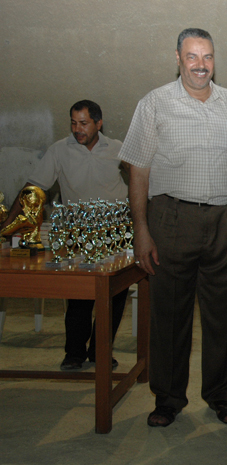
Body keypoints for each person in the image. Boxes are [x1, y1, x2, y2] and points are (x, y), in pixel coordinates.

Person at [118, 28, 227, 428]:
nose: (201, 65)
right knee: (170, 313)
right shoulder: (155, 103)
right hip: (172, 219)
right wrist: (141, 230)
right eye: (192, 56)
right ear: (177, 58)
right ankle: (168, 398)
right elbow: (138, 169)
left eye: (207, 56)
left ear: (215, 59)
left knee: (223, 315)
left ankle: (221, 395)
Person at [0, 100, 129, 371]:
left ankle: (100, 352)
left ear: (98, 123)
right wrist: (6, 225)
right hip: (76, 234)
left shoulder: (119, 148)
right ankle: (74, 353)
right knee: (78, 295)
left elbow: (141, 180)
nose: (77, 129)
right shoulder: (59, 150)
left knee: (114, 296)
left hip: (115, 233)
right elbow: (32, 188)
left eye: (83, 123)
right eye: (73, 123)